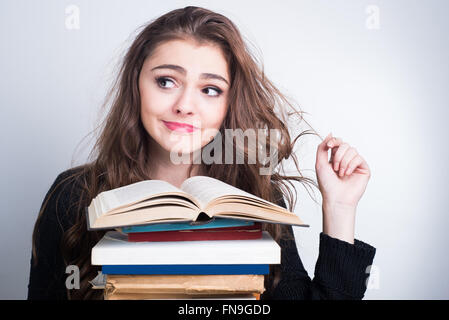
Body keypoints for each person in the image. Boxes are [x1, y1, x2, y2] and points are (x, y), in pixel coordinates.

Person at [27, 6, 376, 300]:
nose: (185, 106)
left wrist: (340, 208)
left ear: (228, 105)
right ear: (137, 86)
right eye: (166, 81)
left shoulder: (256, 199)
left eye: (210, 89)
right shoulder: (73, 195)